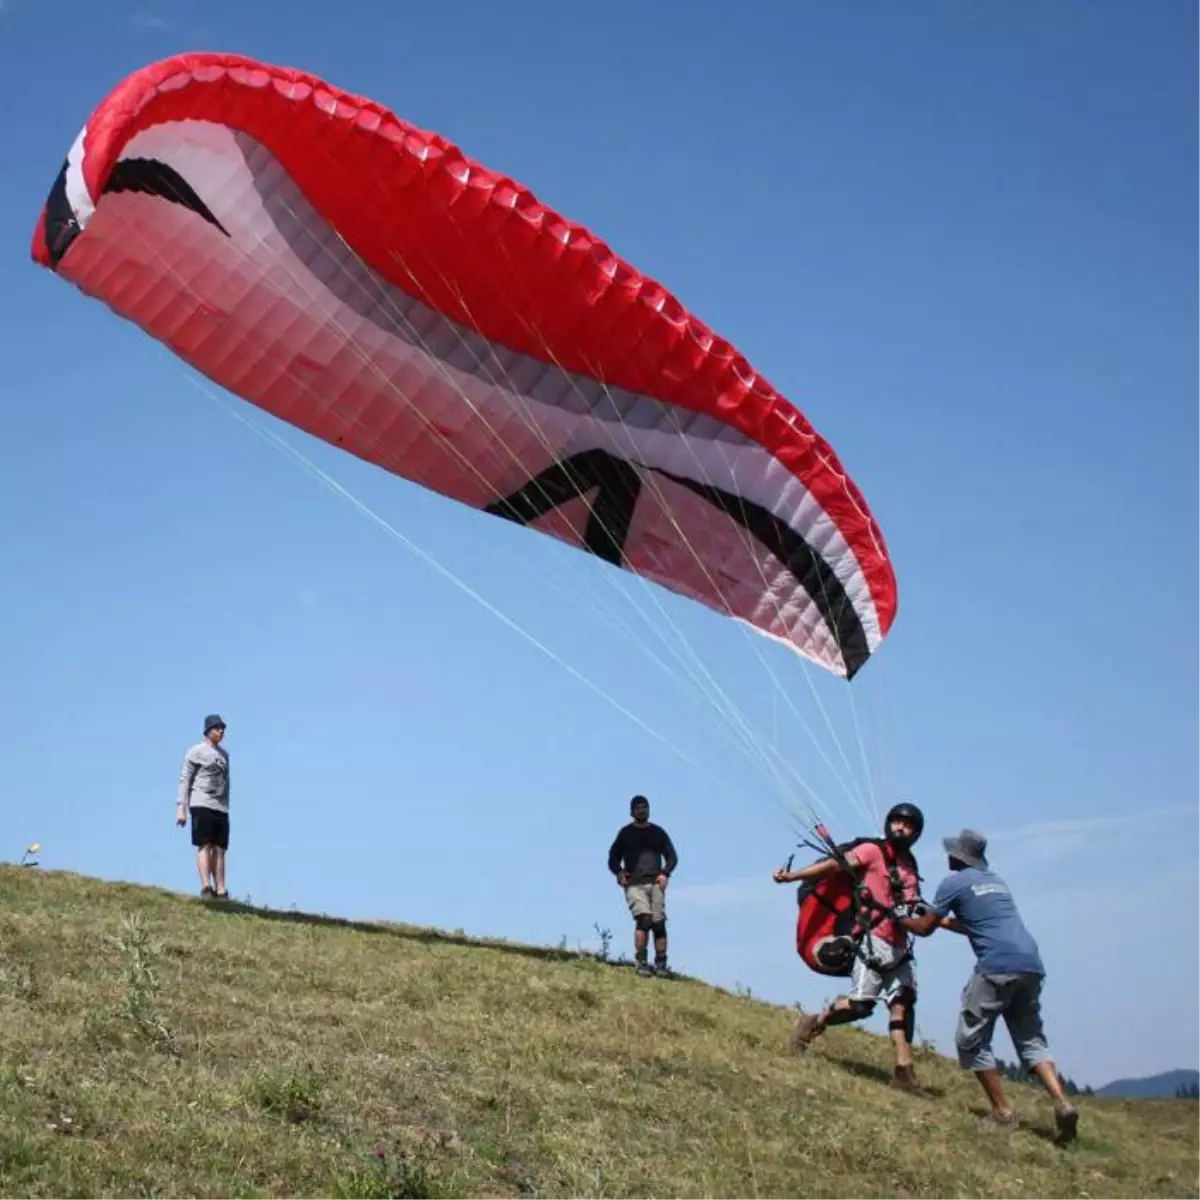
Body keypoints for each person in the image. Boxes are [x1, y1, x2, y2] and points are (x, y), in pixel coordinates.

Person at [902, 828, 1079, 1142]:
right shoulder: (996, 882)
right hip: (1031, 964)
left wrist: (898, 918)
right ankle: (1061, 1102)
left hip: (996, 968)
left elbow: (924, 929)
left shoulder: (953, 882)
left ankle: (1002, 1112)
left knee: (970, 1040)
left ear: (957, 856)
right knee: (1031, 1040)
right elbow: (977, 924)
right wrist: (941, 919)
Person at [773, 802, 927, 1094]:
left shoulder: (910, 866)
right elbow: (834, 865)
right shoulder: (871, 851)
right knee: (860, 1007)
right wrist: (794, 877)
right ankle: (814, 1023)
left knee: (902, 1003)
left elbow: (913, 904)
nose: (900, 828)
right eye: (896, 822)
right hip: (872, 943)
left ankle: (904, 1071)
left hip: (900, 945)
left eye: (907, 826)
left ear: (916, 833)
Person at [607, 795, 678, 977]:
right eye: (638, 808)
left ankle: (661, 963)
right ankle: (641, 962)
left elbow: (672, 856)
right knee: (643, 920)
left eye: (644, 807)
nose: (642, 810)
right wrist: (619, 873)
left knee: (659, 922)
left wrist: (665, 873)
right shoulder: (625, 833)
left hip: (655, 884)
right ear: (632, 811)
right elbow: (612, 858)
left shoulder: (658, 832)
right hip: (634, 884)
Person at [175, 713, 231, 899]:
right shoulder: (196, 751)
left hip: (221, 806)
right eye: (217, 728)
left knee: (220, 848)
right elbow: (185, 779)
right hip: (201, 802)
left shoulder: (224, 755)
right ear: (208, 731)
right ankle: (207, 887)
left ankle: (221, 889)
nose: (221, 731)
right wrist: (181, 807)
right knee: (204, 844)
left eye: (222, 728)